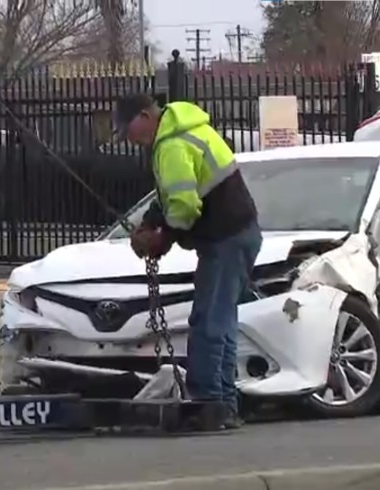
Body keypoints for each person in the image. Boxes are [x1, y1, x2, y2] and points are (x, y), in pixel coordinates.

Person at [112, 94, 262, 430]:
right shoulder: (182, 132)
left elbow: (183, 206)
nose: (129, 140)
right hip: (235, 235)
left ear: (145, 115)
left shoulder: (172, 145)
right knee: (221, 320)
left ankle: (208, 403)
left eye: (128, 130)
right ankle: (223, 405)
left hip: (227, 238)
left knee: (209, 322)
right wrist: (153, 222)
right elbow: (171, 197)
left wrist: (161, 238)